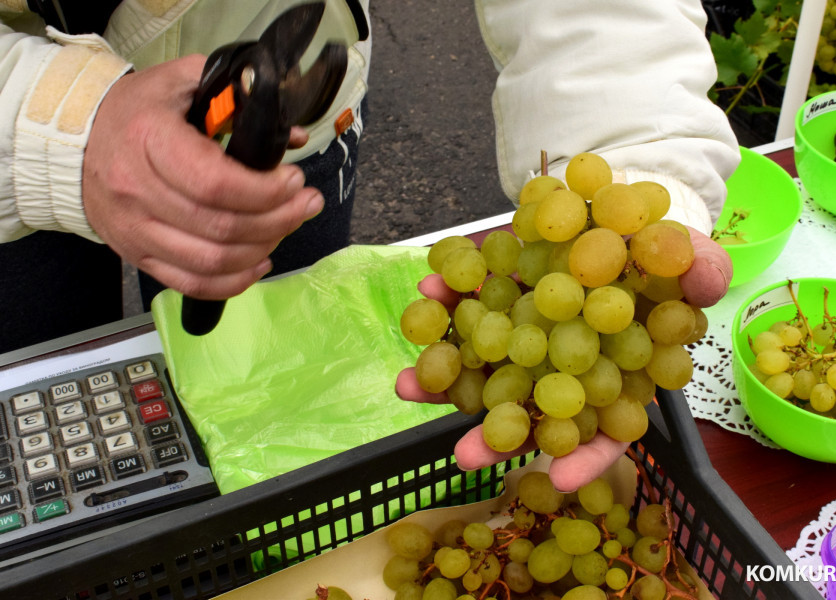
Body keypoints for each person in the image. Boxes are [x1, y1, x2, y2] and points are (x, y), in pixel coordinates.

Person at [0, 0, 739, 490]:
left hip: (281, 82)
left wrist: (636, 156)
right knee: (47, 431)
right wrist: (54, 130)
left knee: (274, 361)